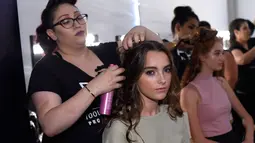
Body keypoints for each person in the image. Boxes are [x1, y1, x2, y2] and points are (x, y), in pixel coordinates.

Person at [27, 0, 163, 143]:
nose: (77, 24)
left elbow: (161, 53)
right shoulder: (46, 69)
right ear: (52, 33)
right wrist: (95, 87)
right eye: (66, 21)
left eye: (79, 17)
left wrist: (143, 30)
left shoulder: (109, 52)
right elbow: (50, 125)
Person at [103, 41, 191, 143]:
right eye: (151, 72)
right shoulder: (120, 128)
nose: (163, 80)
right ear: (134, 76)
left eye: (167, 70)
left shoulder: (176, 115)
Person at [180, 27, 253, 143]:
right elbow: (198, 139)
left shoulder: (221, 82)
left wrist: (249, 138)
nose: (222, 58)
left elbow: (247, 118)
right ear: (202, 56)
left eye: (222, 53)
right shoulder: (189, 92)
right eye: (217, 53)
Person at [229, 18, 255, 142]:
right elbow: (241, 60)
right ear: (236, 32)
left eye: (249, 28)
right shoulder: (234, 48)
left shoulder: (252, 43)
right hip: (243, 96)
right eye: (244, 28)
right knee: (244, 127)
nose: (248, 31)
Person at [169, 6, 199, 79]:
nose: (196, 33)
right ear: (178, 27)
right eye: (191, 27)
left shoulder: (197, 51)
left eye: (197, 29)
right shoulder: (166, 49)